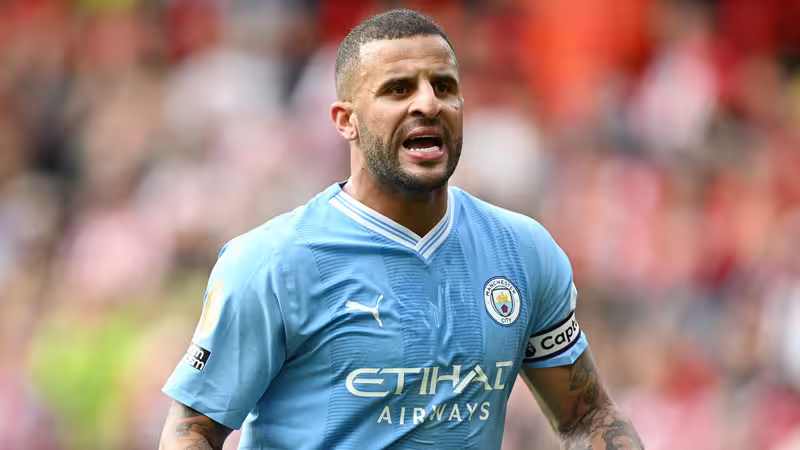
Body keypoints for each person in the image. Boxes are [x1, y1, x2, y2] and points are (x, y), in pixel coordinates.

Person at [159, 9, 644, 450]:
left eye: (444, 86)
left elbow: (587, 416)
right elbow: (193, 431)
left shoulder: (523, 251)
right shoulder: (272, 263)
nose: (428, 103)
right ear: (345, 121)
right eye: (398, 89)